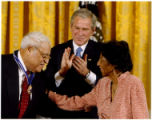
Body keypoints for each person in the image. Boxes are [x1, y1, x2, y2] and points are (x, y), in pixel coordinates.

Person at [48, 40, 149, 119]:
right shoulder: (103, 83)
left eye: (101, 59)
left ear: (113, 63)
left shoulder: (133, 83)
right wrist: (50, 94)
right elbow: (77, 103)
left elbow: (141, 117)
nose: (98, 64)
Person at [43, 8, 102, 118]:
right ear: (71, 27)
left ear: (93, 30)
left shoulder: (102, 52)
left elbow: (109, 86)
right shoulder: (57, 50)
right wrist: (61, 73)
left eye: (85, 29)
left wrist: (87, 74)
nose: (80, 33)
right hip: (61, 114)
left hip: (91, 113)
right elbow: (47, 84)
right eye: (77, 28)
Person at [1, 32, 51, 118]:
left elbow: (45, 109)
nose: (47, 61)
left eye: (48, 57)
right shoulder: (2, 65)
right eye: (44, 56)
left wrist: (62, 72)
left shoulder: (40, 76)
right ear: (29, 49)